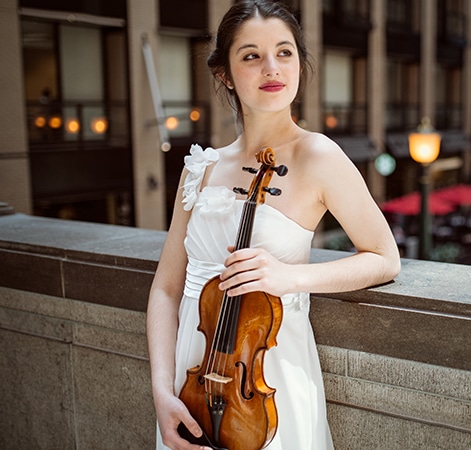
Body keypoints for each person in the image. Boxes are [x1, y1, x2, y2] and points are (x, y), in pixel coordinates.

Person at [146, 1, 401, 449]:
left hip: (268, 380)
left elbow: (384, 258)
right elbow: (167, 288)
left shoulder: (319, 156)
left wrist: (290, 277)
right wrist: (162, 391)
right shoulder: (201, 168)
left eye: (285, 52)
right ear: (224, 73)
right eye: (251, 55)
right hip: (192, 377)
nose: (272, 67)